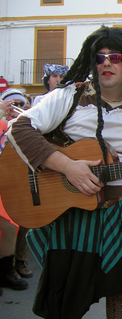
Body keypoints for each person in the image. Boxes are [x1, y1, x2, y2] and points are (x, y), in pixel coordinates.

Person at [6, 26, 122, 319]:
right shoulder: (69, 97)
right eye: (99, 58)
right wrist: (68, 167)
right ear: (91, 64)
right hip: (72, 212)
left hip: (119, 210)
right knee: (64, 300)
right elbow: (20, 128)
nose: (106, 63)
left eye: (114, 56)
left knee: (119, 291)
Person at [0, 90, 30, 295]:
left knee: (14, 227)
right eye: (10, 103)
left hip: (12, 184)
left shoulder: (21, 125)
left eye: (19, 103)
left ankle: (7, 270)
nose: (13, 107)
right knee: (8, 229)